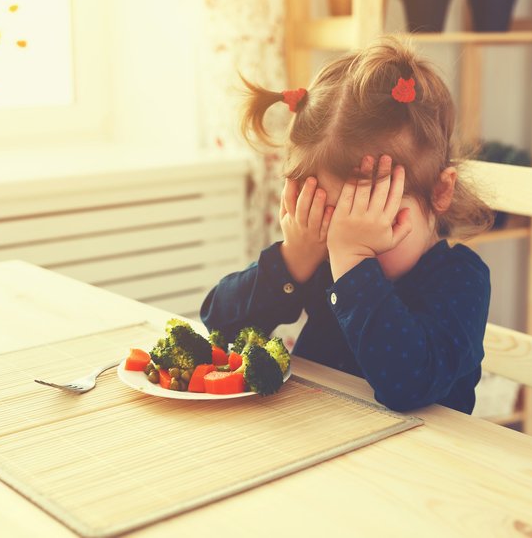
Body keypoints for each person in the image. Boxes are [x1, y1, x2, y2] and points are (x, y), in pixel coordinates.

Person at [200, 36, 494, 413]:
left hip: (418, 462)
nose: (342, 234)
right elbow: (219, 329)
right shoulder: (323, 257)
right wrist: (293, 260)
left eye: (371, 212)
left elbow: (409, 385)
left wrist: (354, 263)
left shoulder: (461, 279)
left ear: (440, 192)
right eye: (330, 212)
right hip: (320, 443)